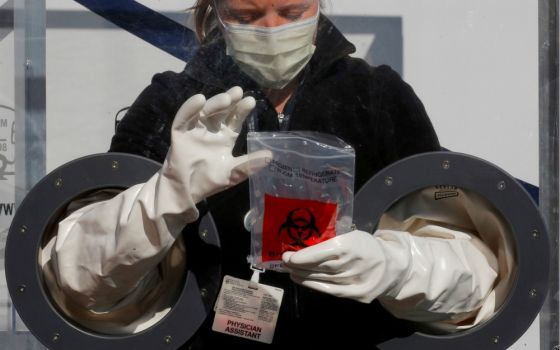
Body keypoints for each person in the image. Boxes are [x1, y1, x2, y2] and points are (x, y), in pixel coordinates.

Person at [41, 0, 506, 348]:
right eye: (246, 15)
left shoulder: (377, 97)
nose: (271, 30)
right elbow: (79, 280)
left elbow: (471, 265)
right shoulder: (176, 104)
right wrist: (165, 197)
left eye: (290, 10)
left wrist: (395, 266)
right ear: (218, 10)